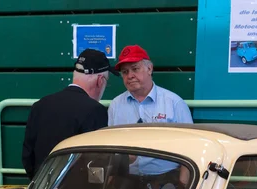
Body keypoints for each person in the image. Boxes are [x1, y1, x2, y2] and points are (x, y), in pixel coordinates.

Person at [22, 49, 115, 180]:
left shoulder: (40, 105)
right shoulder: (95, 110)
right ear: (100, 81)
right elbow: (97, 161)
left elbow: (27, 156)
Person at [108, 45, 193, 126]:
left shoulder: (174, 103)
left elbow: (189, 139)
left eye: (135, 69)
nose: (130, 76)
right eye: (125, 72)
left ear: (149, 69)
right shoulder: (115, 105)